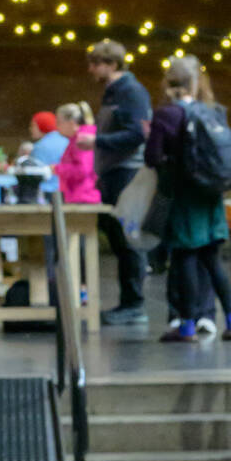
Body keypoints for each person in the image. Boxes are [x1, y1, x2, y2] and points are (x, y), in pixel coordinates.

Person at [145, 54, 231, 342]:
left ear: (168, 83)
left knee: (184, 259)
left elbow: (152, 157)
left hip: (185, 198)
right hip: (212, 198)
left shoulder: (167, 115)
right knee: (213, 262)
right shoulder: (212, 112)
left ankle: (186, 326)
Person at [88, 36, 155, 325]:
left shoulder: (130, 91)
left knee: (128, 239)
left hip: (126, 173)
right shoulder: (113, 92)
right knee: (117, 238)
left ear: (111, 64)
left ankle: (134, 304)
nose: (90, 70)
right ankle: (128, 301)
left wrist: (96, 140)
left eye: (95, 63)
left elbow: (138, 134)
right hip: (112, 173)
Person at [53, 101, 100, 205]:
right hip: (79, 195)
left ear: (71, 123)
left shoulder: (82, 139)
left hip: (84, 196)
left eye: (59, 122)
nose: (57, 127)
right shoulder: (76, 139)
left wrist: (57, 169)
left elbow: (83, 169)